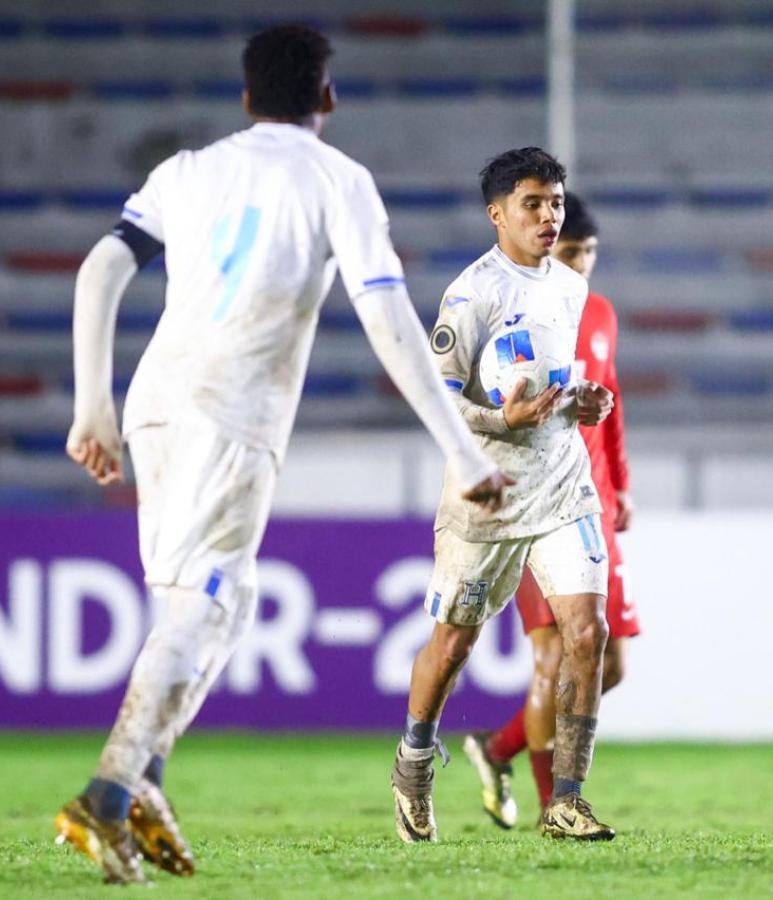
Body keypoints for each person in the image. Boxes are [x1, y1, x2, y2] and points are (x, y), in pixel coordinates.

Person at [55, 25, 506, 884]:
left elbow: (99, 270)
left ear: (246, 96)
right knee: (204, 605)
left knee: (214, 599)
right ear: (326, 97)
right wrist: (464, 450)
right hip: (232, 412)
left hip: (153, 402)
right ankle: (108, 792)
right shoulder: (338, 179)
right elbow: (388, 318)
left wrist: (93, 404)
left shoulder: (186, 171)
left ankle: (144, 786)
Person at [389, 149, 619, 844]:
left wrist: (582, 401)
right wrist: (501, 421)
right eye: (533, 204)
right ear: (497, 213)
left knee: (587, 634)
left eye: (555, 202)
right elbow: (437, 400)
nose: (549, 216)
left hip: (561, 483)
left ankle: (568, 800)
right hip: (487, 493)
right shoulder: (471, 296)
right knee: (453, 644)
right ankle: (415, 761)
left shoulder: (570, 289)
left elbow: (554, 380)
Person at [461, 192, 638, 827]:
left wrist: (620, 484)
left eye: (588, 251)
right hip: (537, 503)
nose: (580, 263)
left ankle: (497, 746)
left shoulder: (602, 314)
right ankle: (554, 807)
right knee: (553, 661)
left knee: (607, 660)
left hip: (591, 503)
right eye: (570, 251)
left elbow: (610, 401)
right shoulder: (512, 310)